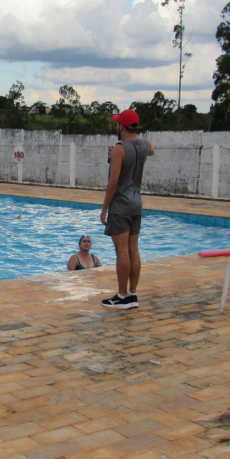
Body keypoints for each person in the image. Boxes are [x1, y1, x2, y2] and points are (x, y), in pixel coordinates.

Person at [99, 109, 154, 310]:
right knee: (133, 249)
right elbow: (152, 149)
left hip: (121, 205)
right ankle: (132, 294)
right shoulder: (144, 146)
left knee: (121, 251)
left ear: (121, 126)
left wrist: (105, 208)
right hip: (137, 203)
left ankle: (122, 296)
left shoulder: (119, 149)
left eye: (118, 124)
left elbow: (113, 182)